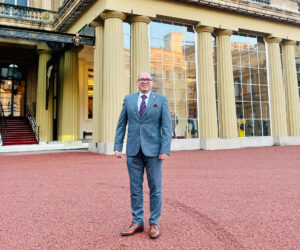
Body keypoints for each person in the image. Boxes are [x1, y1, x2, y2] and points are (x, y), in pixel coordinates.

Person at [114, 72, 172, 239]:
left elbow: (166, 127)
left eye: (147, 80)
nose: (144, 82)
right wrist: (118, 146)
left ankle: (154, 223)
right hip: (133, 151)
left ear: (152, 83)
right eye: (141, 79)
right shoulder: (129, 99)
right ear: (137, 82)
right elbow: (121, 125)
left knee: (155, 188)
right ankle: (137, 221)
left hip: (154, 151)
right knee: (135, 188)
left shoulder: (161, 100)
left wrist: (165, 149)